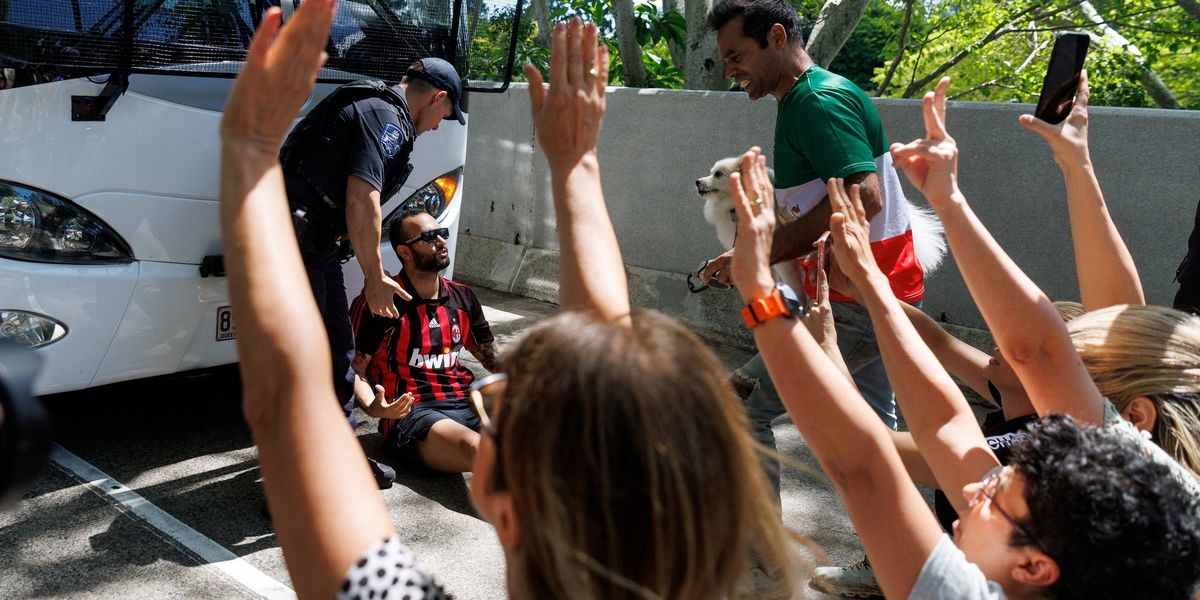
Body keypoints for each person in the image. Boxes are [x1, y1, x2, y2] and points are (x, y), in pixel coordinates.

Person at [218, 7, 798, 599]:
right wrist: (764, 292)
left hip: (318, 257)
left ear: (504, 508)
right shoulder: (383, 124)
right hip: (395, 379)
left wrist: (249, 153)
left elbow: (293, 409)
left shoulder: (397, 590)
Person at [725, 124, 1200, 600]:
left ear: (1035, 566)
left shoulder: (977, 568)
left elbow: (872, 458)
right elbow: (941, 420)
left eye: (994, 493)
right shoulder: (1129, 512)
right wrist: (865, 280)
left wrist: (763, 290)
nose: (975, 487)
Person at [702, 0, 927, 494]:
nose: (730, 69)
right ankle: (893, 542)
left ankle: (764, 548)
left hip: (853, 302)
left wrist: (758, 255)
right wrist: (751, 253)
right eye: (725, 59)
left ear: (777, 37)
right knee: (877, 433)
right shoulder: (803, 97)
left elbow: (863, 197)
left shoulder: (818, 101)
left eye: (737, 55)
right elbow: (823, 204)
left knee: (739, 405)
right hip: (869, 293)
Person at [278, 41, 466, 487]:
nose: (437, 127)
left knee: (338, 349)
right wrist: (374, 276)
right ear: (437, 98)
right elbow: (363, 198)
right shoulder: (385, 118)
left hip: (312, 241)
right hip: (292, 240)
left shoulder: (380, 111)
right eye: (443, 116)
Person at [349, 208, 499, 474]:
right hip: (414, 413)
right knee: (484, 452)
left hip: (468, 402)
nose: (441, 241)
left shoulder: (463, 297)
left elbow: (491, 357)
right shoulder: (381, 301)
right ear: (404, 252)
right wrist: (373, 407)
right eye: (429, 237)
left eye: (442, 233)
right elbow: (354, 368)